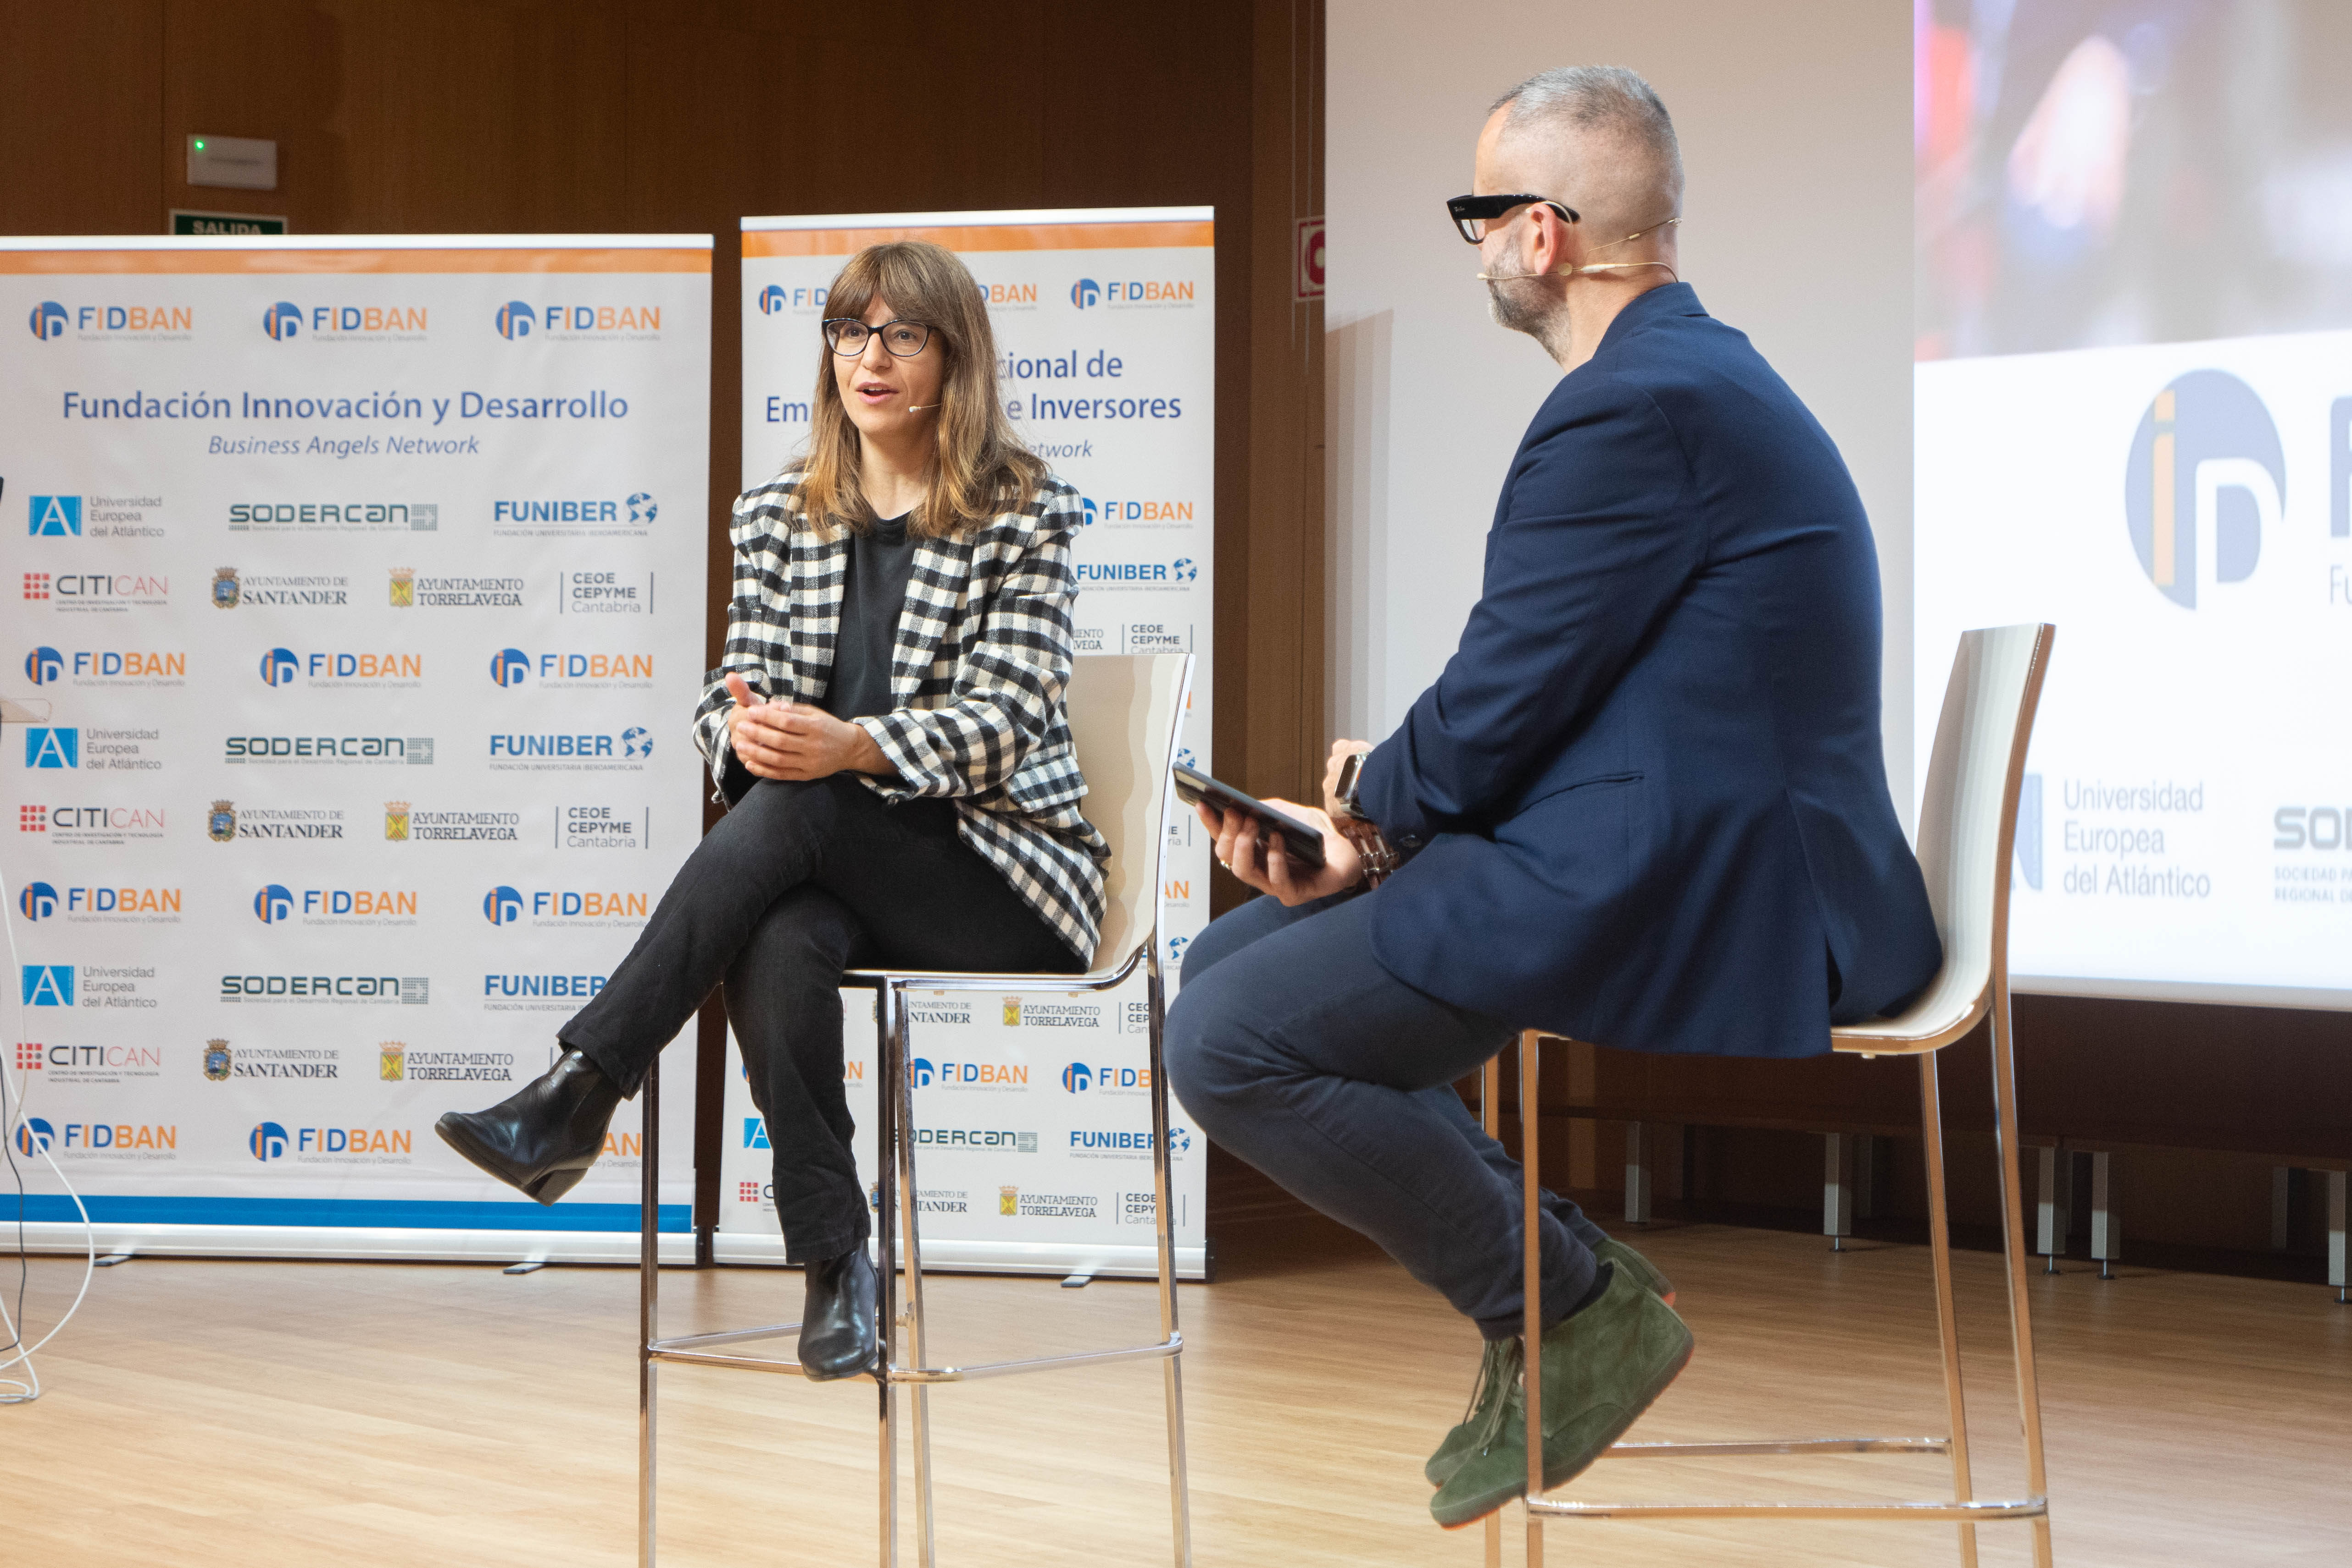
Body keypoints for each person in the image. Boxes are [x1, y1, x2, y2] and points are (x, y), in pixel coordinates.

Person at [1163, 65, 1941, 1529]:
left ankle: (1568, 1306)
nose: (1473, 249)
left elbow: (1502, 704)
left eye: (1478, 215)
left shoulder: (1631, 409)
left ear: (1541, 233)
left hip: (1712, 879)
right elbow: (1543, 695)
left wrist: (1375, 804)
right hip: (1670, 834)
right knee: (1227, 966)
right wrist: (1371, 835)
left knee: (1224, 1040)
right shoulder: (1689, 378)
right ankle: (1561, 1286)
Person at [437, 240, 1106, 1383]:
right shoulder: (777, 514)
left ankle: (580, 1089)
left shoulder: (1022, 510)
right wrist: (739, 732)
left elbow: (1010, 715)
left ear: (954, 356)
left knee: (802, 809)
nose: (870, 357)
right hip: (827, 866)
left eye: (901, 333)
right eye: (850, 332)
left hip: (996, 874)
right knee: (778, 928)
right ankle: (837, 1263)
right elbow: (727, 684)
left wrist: (856, 745)